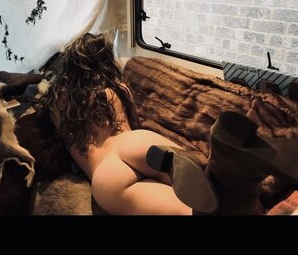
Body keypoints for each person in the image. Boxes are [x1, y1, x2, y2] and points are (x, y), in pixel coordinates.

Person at [44, 33, 218, 215]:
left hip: (106, 173)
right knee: (200, 182)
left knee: (189, 212)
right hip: (133, 143)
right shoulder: (116, 89)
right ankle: (193, 170)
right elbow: (134, 122)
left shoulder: (57, 105)